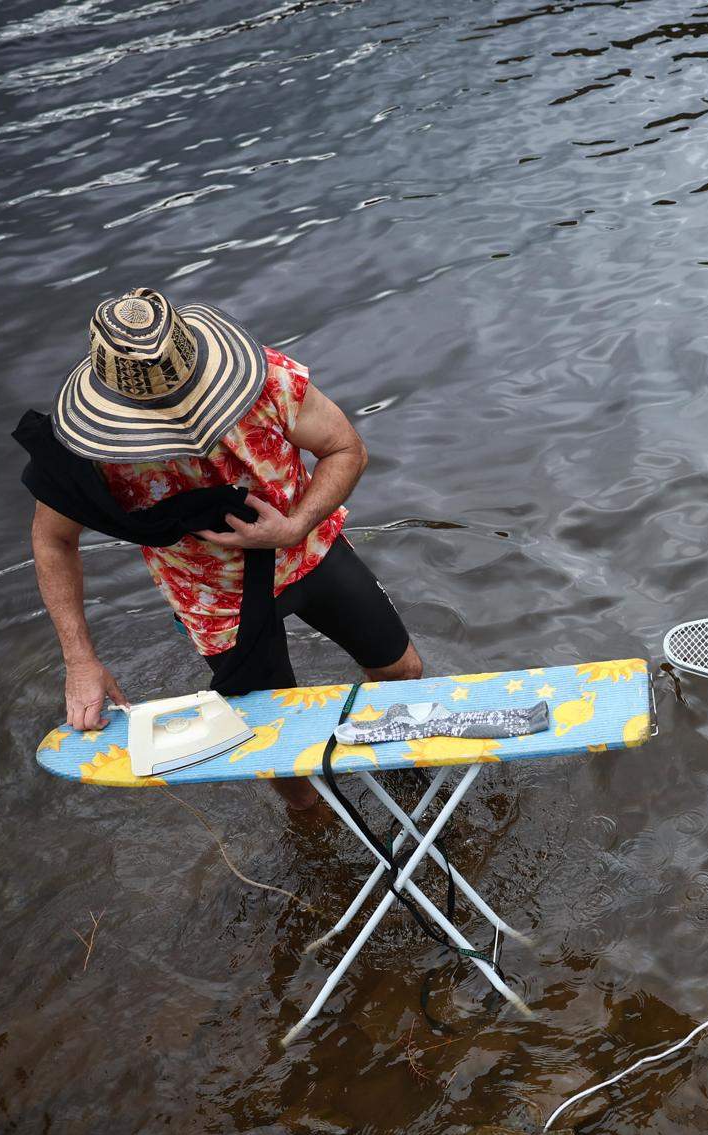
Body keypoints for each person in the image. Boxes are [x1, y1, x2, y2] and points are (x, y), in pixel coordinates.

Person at [28, 288, 423, 810]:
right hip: (214, 600)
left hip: (307, 549)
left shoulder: (268, 380)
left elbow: (345, 447)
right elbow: (54, 541)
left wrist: (295, 524)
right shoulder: (84, 452)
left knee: (403, 673)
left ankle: (407, 772)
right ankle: (310, 820)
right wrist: (80, 660)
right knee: (274, 741)